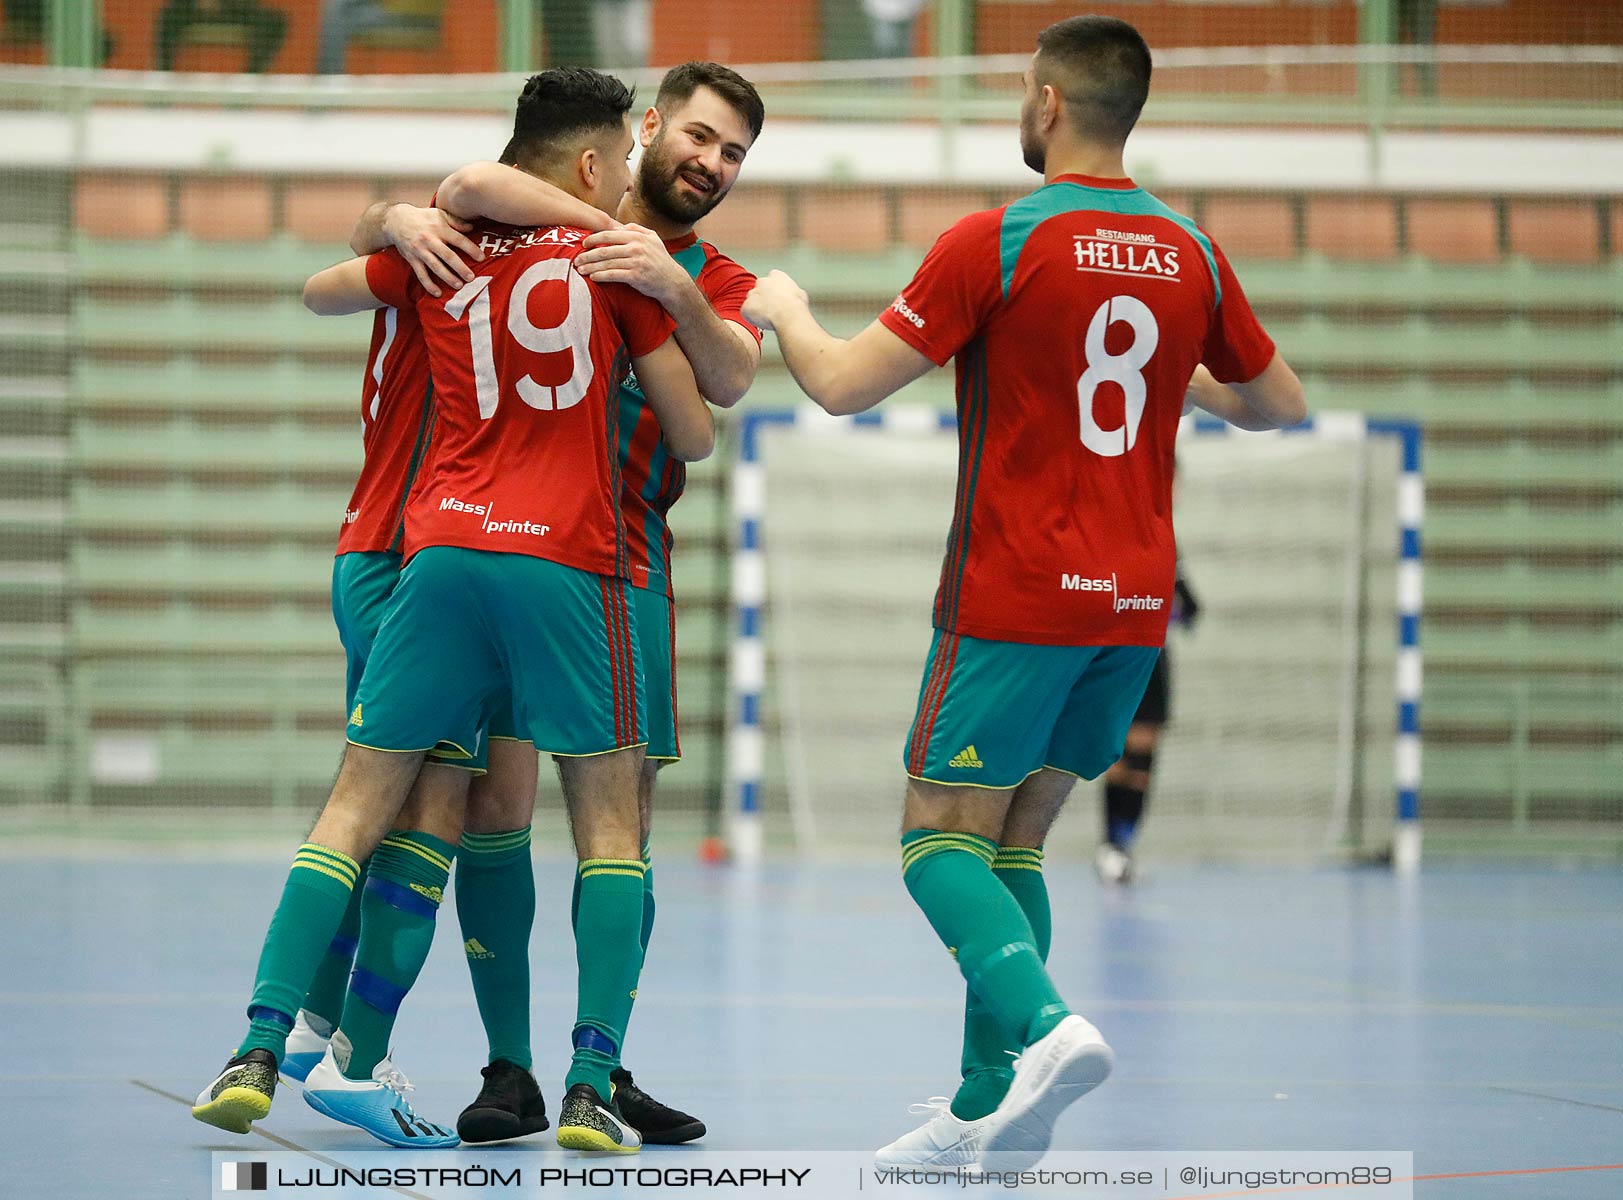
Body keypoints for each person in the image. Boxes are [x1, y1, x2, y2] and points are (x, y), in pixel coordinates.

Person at [742, 15, 1305, 1171]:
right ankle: (978, 1108)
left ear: (1049, 103)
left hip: (1018, 593)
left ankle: (1045, 1033)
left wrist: (785, 309)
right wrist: (1171, 382)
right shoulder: (1190, 251)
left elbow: (844, 385)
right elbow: (1278, 404)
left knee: (934, 841)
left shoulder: (996, 240)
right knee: (1019, 846)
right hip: (1133, 604)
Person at [191, 66, 712, 1156]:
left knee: (357, 806)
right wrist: (659, 297)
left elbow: (328, 286)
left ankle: (260, 1041)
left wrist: (398, 221)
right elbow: (699, 432)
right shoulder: (616, 262)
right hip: (569, 564)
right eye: (618, 160)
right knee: (601, 824)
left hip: (433, 550)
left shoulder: (440, 250)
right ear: (588, 163)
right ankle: (577, 1083)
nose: (624, 180)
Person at [314, 58, 765, 1148]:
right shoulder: (513, 213)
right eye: (699, 136)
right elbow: (442, 199)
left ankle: (594, 1066)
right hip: (489, 545)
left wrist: (668, 281)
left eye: (735, 155)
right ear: (640, 133)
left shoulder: (714, 273)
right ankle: (500, 1064)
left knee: (623, 824)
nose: (710, 163)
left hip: (625, 564)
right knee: (488, 806)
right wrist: (388, 214)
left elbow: (731, 379)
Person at [1095, 565, 1199, 884]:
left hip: (1151, 659)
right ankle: (1110, 845)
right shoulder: (1109, 544)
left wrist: (1162, 615)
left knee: (1142, 759)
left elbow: (1191, 608)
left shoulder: (1166, 548)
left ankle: (1123, 845)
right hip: (1115, 657)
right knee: (1118, 755)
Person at [155, 0, 286, 72]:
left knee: (274, 21)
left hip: (235, 10)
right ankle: (164, 76)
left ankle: (250, 79)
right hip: (194, 10)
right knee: (168, 15)